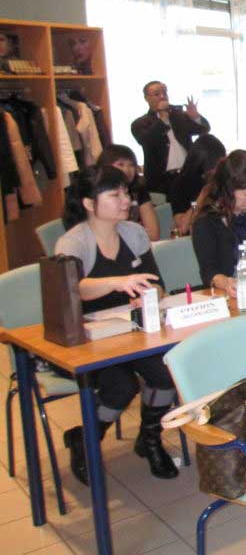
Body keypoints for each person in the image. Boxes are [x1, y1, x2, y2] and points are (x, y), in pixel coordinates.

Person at [54, 166, 178, 484]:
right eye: (115, 194)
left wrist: (148, 295)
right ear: (89, 203)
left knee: (166, 374)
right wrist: (118, 282)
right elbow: (73, 288)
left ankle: (149, 438)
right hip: (89, 341)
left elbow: (156, 284)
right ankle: (86, 439)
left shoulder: (134, 233)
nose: (126, 200)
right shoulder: (72, 242)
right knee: (121, 387)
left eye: (126, 192)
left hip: (133, 333)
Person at [190, 150, 246, 297]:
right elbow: (209, 272)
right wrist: (226, 282)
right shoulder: (206, 221)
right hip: (232, 294)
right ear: (229, 189)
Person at [130, 80, 210, 194]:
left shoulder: (179, 116)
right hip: (162, 181)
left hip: (188, 175)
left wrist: (195, 116)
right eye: (157, 94)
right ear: (147, 98)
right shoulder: (140, 123)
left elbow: (203, 129)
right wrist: (162, 120)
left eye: (165, 92)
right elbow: (146, 141)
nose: (162, 96)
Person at [96, 145, 159, 241]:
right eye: (120, 164)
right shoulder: (97, 192)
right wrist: (137, 231)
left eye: (131, 165)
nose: (127, 169)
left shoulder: (139, 190)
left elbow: (154, 234)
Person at [167, 134, 226, 235]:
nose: (217, 170)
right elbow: (182, 228)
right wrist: (203, 195)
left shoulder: (222, 179)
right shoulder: (180, 185)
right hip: (192, 238)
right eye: (215, 166)